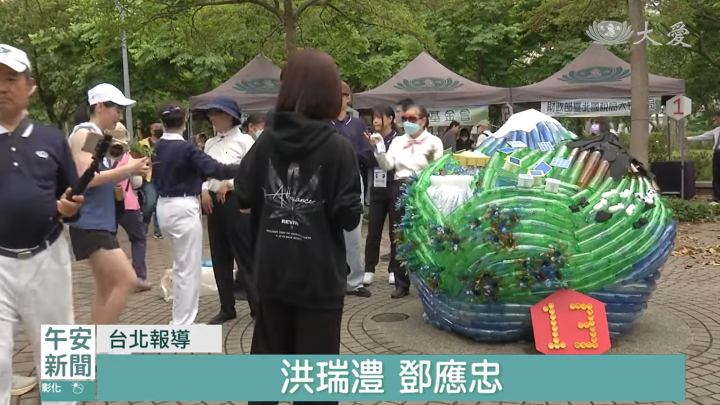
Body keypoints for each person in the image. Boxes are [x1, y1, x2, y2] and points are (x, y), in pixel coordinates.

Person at [235, 50, 363, 396]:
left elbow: (242, 195)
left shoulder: (265, 143)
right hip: (318, 281)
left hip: (272, 275)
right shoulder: (338, 149)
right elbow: (349, 216)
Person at [0, 44, 84, 405]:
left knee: (61, 352)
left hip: (48, 255)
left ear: (30, 86)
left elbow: (73, 198)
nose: (2, 87)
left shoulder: (52, 138)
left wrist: (70, 207)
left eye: (10, 78)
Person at [68, 83, 151, 325]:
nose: (120, 116)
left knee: (105, 289)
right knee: (126, 280)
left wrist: (129, 167)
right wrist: (128, 169)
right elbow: (87, 178)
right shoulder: (83, 134)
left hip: (100, 221)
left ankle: (99, 340)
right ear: (100, 106)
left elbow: (107, 172)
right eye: (117, 109)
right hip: (89, 222)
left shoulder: (99, 138)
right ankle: (100, 342)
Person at [152, 101, 239, 326]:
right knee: (188, 269)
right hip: (183, 207)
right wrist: (246, 166)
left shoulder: (156, 147)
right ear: (184, 121)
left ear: (162, 122)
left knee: (180, 265)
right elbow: (218, 170)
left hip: (164, 207)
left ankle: (180, 319)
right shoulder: (187, 149)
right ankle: (183, 323)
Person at [368, 104, 443, 298]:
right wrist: (379, 150)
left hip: (422, 188)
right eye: (405, 119)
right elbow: (387, 165)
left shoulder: (434, 142)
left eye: (412, 119)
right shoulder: (398, 141)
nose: (408, 122)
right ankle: (401, 282)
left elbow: (436, 169)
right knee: (399, 235)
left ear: (423, 121)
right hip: (399, 187)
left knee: (424, 233)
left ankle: (428, 281)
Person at [196, 97, 257, 324]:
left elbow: (252, 171)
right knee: (219, 254)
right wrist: (204, 190)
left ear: (229, 116)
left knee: (244, 254)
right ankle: (226, 307)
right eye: (211, 114)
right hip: (213, 202)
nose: (212, 118)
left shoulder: (245, 141)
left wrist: (230, 184)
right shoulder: (210, 143)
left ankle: (257, 307)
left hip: (235, 200)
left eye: (216, 114)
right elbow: (204, 170)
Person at [333, 82, 373, 298]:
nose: (336, 98)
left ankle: (354, 281)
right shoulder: (322, 123)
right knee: (327, 231)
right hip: (327, 179)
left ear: (348, 98)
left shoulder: (357, 125)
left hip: (351, 178)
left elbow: (368, 154)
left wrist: (345, 155)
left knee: (353, 234)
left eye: (340, 94)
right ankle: (332, 280)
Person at [363, 106, 400, 286]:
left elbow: (395, 163)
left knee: (394, 231)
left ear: (390, 119)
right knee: (373, 231)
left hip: (394, 187)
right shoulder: (370, 137)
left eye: (379, 117)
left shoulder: (398, 140)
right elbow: (366, 160)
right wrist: (372, 147)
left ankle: (394, 269)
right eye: (374, 118)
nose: (375, 121)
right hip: (376, 188)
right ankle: (369, 268)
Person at [113, 123, 151, 292]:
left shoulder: (99, 156)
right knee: (138, 239)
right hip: (127, 202)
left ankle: (113, 277)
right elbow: (137, 183)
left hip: (105, 204)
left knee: (110, 241)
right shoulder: (128, 158)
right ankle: (139, 277)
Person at [687, 113, 720, 201]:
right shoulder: (716, 130)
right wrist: (689, 139)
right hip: (717, 154)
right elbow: (704, 136)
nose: (717, 120)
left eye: (718, 118)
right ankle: (717, 196)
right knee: (716, 174)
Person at [139, 122, 163, 239]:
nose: (159, 129)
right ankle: (144, 222)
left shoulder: (165, 143)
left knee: (160, 205)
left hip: (163, 178)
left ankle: (158, 231)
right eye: (156, 128)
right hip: (149, 178)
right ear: (151, 130)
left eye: (160, 127)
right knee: (150, 203)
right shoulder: (142, 144)